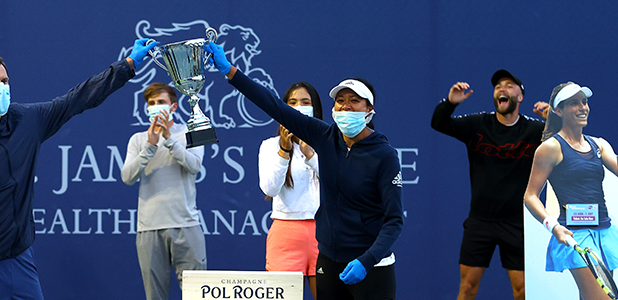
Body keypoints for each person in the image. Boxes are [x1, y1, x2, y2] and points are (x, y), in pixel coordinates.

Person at [0, 38, 157, 300]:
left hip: (21, 261)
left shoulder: (25, 120)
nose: (1, 88)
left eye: (4, 81)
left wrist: (128, 65)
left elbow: (76, 99)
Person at [206, 42, 403, 299]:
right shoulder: (324, 135)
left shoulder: (384, 155)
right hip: (330, 260)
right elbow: (274, 106)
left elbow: (394, 220)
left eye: (354, 101)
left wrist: (367, 260)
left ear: (369, 110)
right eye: (340, 101)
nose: (345, 107)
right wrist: (230, 71)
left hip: (371, 266)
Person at [430, 70, 548, 300]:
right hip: (480, 223)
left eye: (509, 85)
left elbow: (571, 139)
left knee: (523, 290)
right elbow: (439, 123)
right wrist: (450, 103)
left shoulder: (535, 131)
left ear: (520, 97)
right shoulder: (478, 124)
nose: (502, 89)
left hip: (517, 223)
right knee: (467, 288)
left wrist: (554, 118)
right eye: (498, 86)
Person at [524, 82, 618, 300]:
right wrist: (553, 226)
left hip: (604, 232)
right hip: (575, 236)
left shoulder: (599, 145)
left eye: (584, 102)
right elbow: (530, 196)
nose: (583, 107)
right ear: (559, 110)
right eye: (574, 103)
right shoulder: (550, 148)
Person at [120, 82, 206, 300]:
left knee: (196, 295)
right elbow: (127, 177)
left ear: (174, 106)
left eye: (161, 102)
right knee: (154, 297)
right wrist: (150, 146)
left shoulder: (193, 132)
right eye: (151, 103)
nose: (156, 107)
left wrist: (168, 140)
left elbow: (195, 166)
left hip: (186, 224)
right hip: (149, 228)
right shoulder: (138, 140)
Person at [257, 81, 322, 299]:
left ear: (315, 109)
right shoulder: (270, 145)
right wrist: (285, 150)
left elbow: (338, 181)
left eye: (305, 102)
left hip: (324, 234)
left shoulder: (330, 143)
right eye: (292, 102)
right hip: (285, 234)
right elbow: (270, 188)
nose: (298, 106)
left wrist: (309, 152)